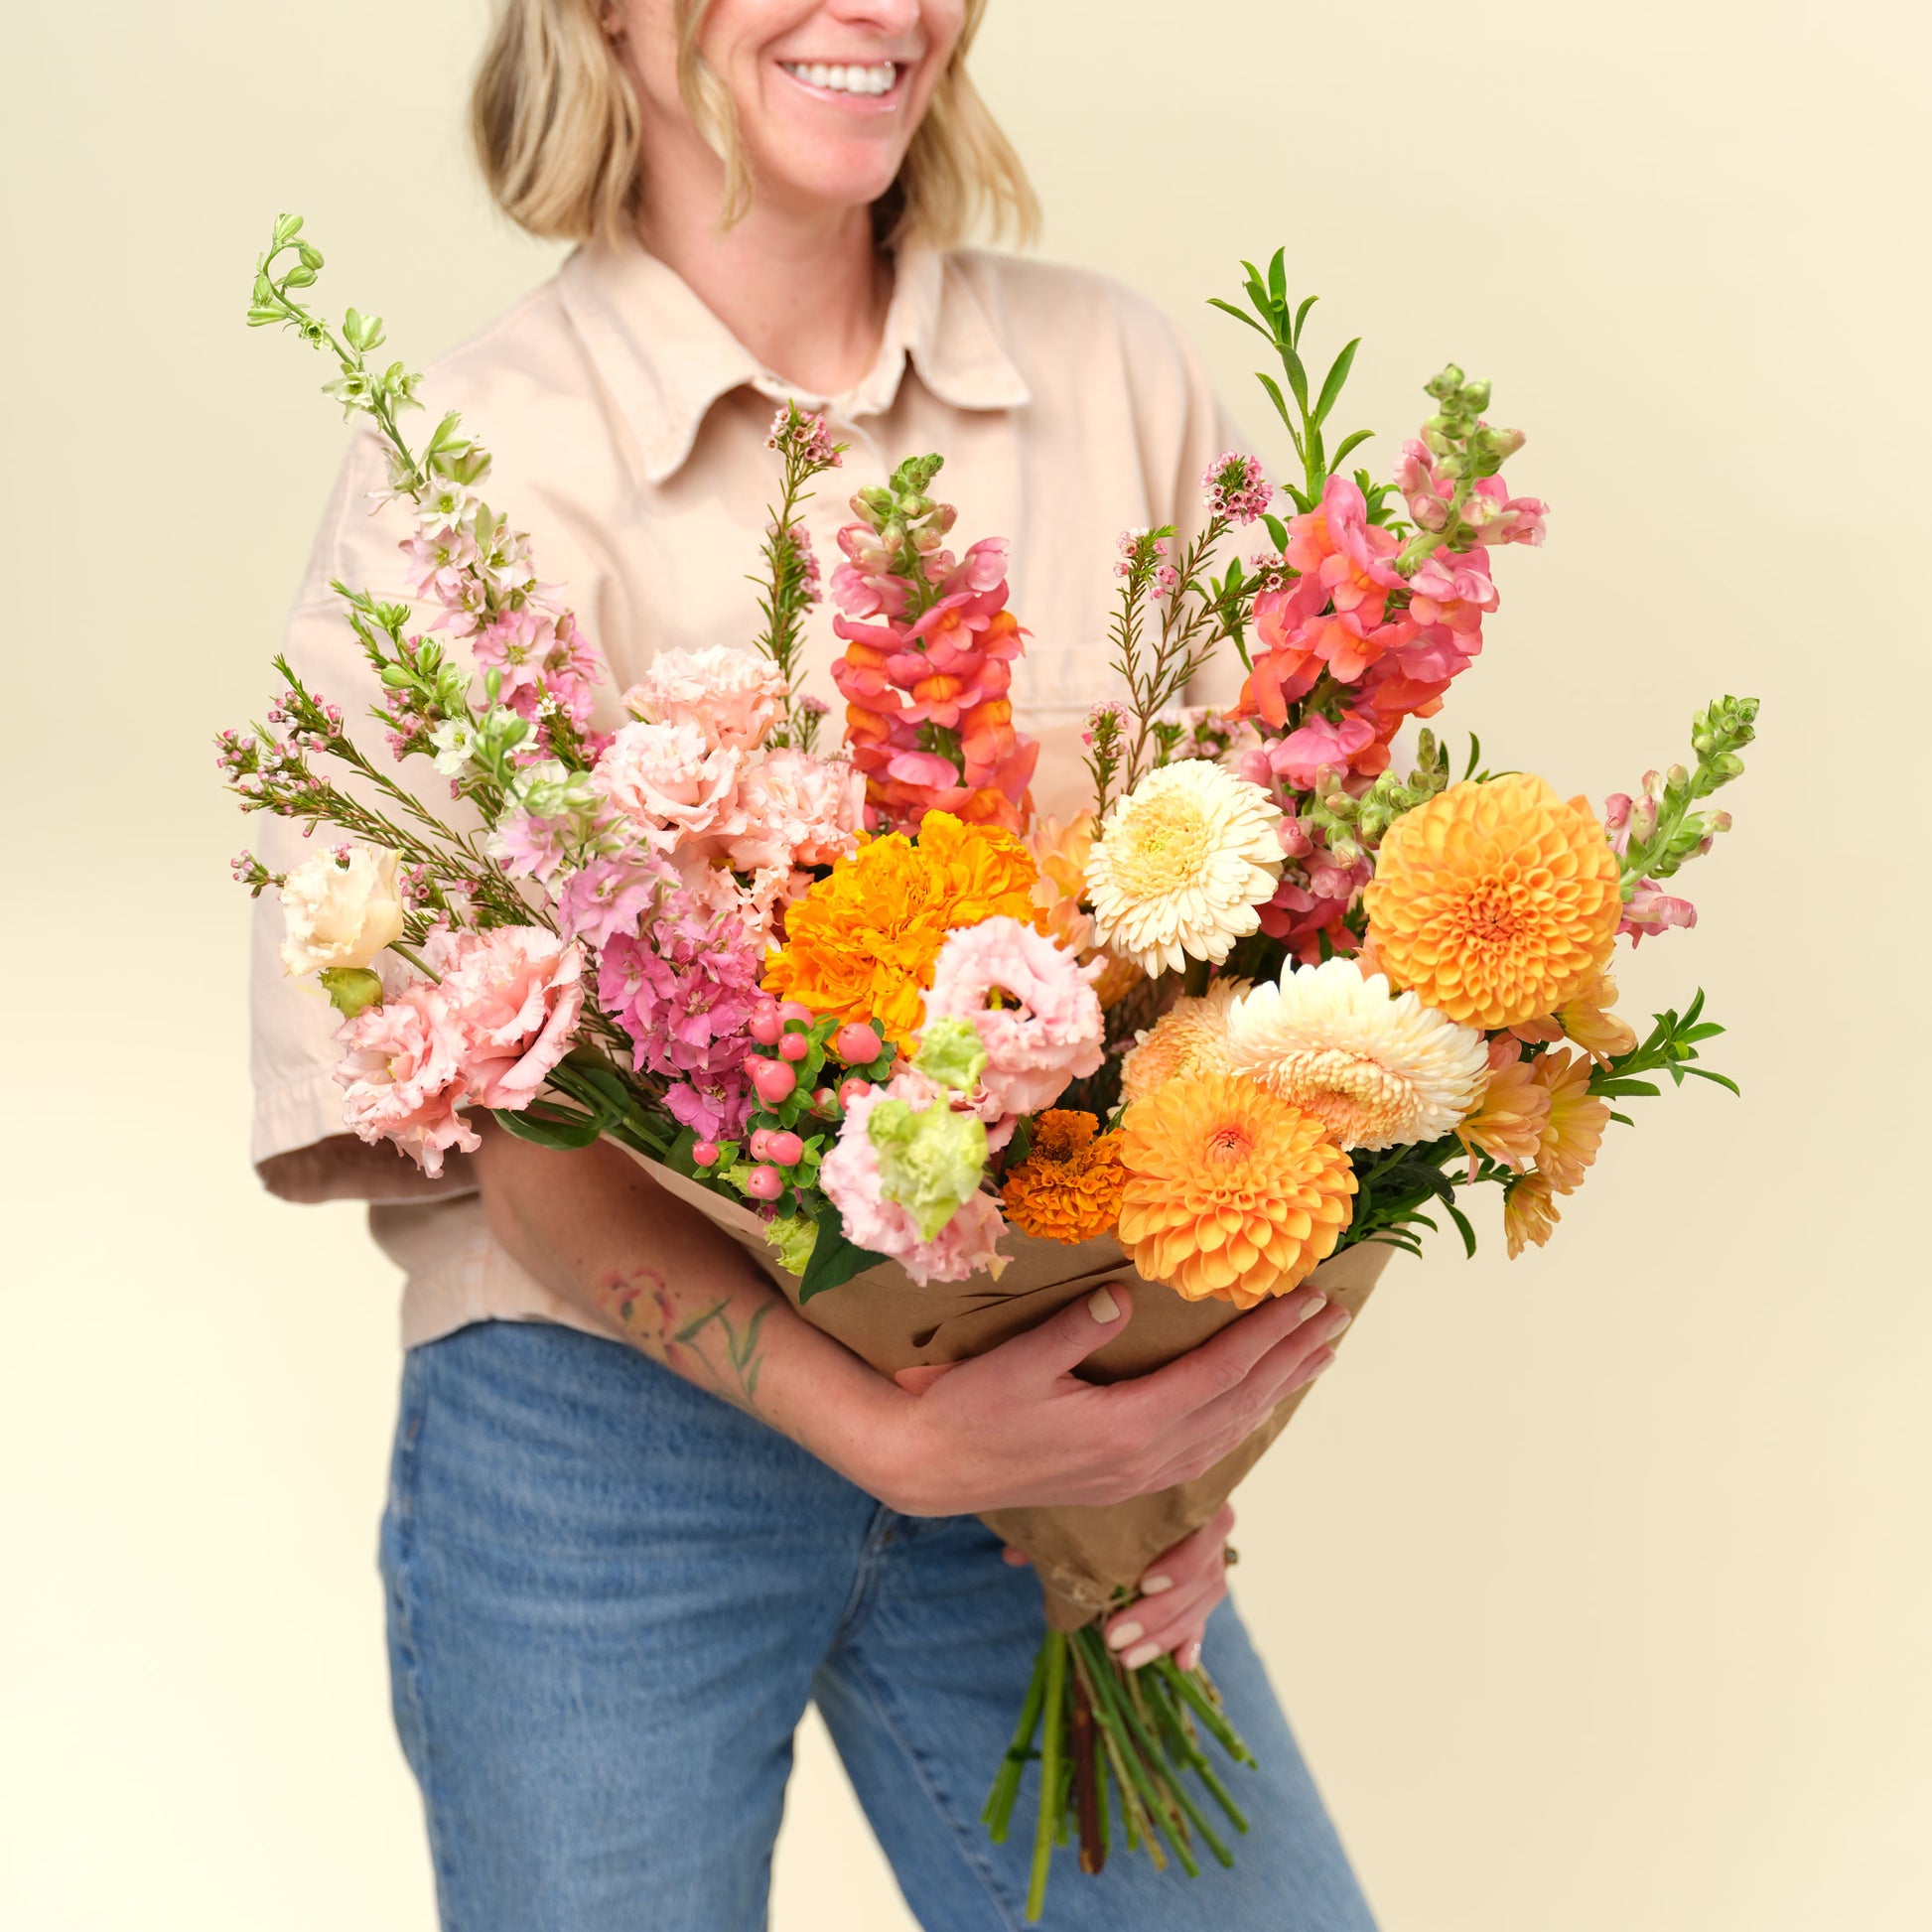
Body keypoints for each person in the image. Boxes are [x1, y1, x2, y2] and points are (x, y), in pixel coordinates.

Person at [250, 2, 1376, 1925]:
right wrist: (887, 1432)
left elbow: (1288, 1002)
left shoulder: (1115, 374)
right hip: (603, 1440)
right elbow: (487, 1101)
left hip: (1042, 1406)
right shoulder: (472, 464)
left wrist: (1168, 1446)